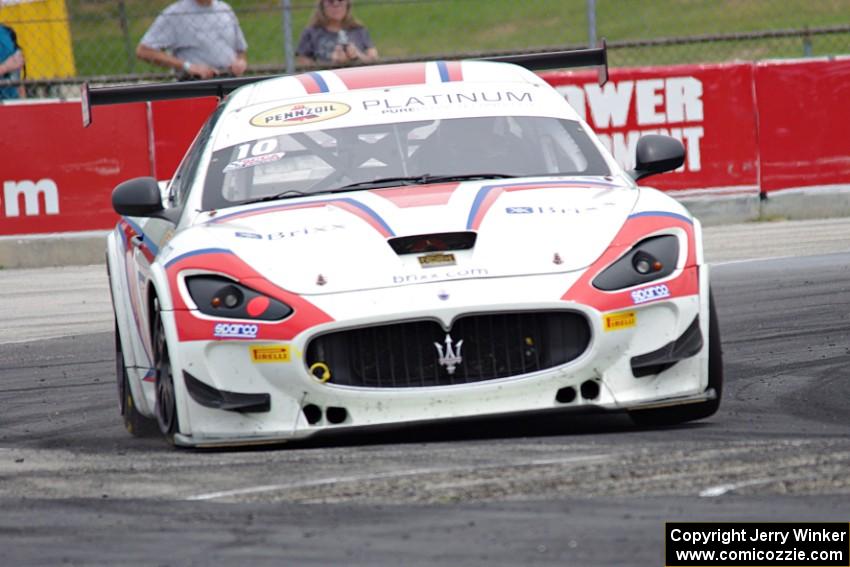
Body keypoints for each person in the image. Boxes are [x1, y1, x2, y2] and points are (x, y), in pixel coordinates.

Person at [136, 0, 247, 80]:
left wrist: (240, 62)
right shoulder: (175, 14)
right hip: (195, 84)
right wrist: (188, 66)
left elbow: (240, 49)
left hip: (230, 81)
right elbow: (144, 51)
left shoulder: (225, 9)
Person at [296, 0, 378, 67]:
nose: (336, 5)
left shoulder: (358, 30)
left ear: (347, 4)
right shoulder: (311, 32)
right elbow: (303, 66)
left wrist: (357, 55)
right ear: (322, 5)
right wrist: (331, 63)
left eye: (340, 0)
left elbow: (374, 59)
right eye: (330, 1)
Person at [0, 23, 25, 100]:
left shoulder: (7, 32)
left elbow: (16, 71)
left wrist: (23, 100)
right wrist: (5, 67)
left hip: (12, 100)